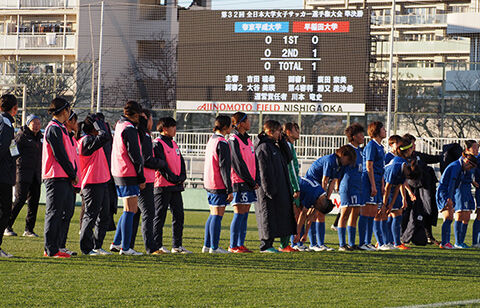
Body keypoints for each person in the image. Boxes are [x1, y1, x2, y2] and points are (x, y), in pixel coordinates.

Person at [42, 97, 77, 258]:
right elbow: (60, 155)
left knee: (61, 213)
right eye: (69, 110)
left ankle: (56, 246)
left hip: (63, 177)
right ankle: (50, 249)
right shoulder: (54, 128)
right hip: (56, 177)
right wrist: (72, 173)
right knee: (54, 213)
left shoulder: (61, 128)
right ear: (64, 111)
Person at [254, 120, 296, 253]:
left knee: (279, 216)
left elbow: (288, 158)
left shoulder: (275, 145)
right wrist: (268, 190)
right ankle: (265, 245)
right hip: (268, 190)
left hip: (279, 187)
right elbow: (263, 171)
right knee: (267, 216)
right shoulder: (264, 147)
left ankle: (279, 244)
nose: (281, 134)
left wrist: (282, 141)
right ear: (271, 132)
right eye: (279, 131)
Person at [109, 101, 145, 256]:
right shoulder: (129, 129)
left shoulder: (119, 124)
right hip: (127, 172)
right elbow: (135, 154)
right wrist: (140, 175)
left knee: (127, 209)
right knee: (131, 209)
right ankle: (125, 247)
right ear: (136, 114)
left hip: (118, 171)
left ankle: (117, 243)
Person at [305, 145, 356, 251]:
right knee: (313, 214)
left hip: (319, 187)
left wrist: (327, 199)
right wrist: (322, 199)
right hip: (312, 184)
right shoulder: (330, 160)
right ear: (343, 155)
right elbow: (324, 180)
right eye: (349, 158)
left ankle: (321, 244)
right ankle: (313, 244)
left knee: (321, 214)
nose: (349, 162)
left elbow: (332, 181)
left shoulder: (340, 165)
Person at [153, 116, 190, 254]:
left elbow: (180, 162)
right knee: (159, 216)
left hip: (175, 186)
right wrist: (174, 178)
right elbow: (162, 166)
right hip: (162, 186)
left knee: (179, 215)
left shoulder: (174, 144)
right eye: (172, 126)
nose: (175, 129)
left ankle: (177, 246)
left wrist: (182, 177)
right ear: (164, 129)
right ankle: (157, 245)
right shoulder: (157, 143)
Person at [77, 113, 112, 255]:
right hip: (91, 182)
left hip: (102, 181)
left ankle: (97, 245)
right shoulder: (86, 141)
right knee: (90, 215)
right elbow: (104, 136)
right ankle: (86, 248)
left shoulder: (92, 140)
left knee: (103, 216)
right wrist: (99, 124)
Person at [5, 114, 42, 238]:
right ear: (28, 124)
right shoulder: (21, 136)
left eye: (38, 123)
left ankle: (29, 229)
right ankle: (7, 225)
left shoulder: (40, 138)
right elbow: (12, 150)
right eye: (34, 123)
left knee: (34, 202)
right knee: (20, 200)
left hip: (36, 174)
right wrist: (17, 163)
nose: (36, 125)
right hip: (22, 173)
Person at [401, 133, 441, 245]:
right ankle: (402, 237)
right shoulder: (402, 158)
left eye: (414, 143)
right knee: (407, 213)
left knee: (426, 210)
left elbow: (432, 158)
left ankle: (429, 236)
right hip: (408, 190)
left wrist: (443, 156)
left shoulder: (417, 155)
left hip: (422, 190)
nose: (414, 146)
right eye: (412, 144)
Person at [228, 112, 259, 253]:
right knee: (239, 212)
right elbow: (237, 163)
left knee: (245, 212)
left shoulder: (249, 140)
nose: (249, 123)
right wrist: (250, 180)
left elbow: (254, 161)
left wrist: (256, 179)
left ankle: (241, 244)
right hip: (239, 181)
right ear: (240, 123)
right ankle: (233, 245)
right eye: (247, 121)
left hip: (250, 182)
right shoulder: (233, 140)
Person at [202, 115, 233, 254]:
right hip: (218, 183)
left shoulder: (211, 140)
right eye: (231, 125)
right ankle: (214, 247)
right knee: (217, 215)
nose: (232, 128)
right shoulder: (222, 142)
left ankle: (207, 245)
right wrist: (229, 188)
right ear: (225, 127)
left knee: (212, 213)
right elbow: (224, 167)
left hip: (209, 182)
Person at [383, 138, 419, 250]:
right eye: (412, 147)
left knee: (396, 213)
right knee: (384, 215)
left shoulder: (404, 164)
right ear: (407, 150)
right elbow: (387, 187)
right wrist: (385, 204)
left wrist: (403, 198)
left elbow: (399, 184)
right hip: (384, 190)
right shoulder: (396, 164)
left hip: (393, 190)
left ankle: (394, 242)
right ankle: (384, 242)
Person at [437, 152, 477, 249]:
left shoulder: (460, 166)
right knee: (448, 217)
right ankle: (444, 242)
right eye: (470, 167)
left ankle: (445, 242)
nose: (470, 169)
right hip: (444, 192)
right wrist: (449, 198)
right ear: (466, 161)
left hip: (448, 193)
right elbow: (451, 183)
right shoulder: (456, 166)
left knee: (449, 217)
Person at [360, 122, 386, 251]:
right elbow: (368, 166)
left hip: (377, 179)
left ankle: (368, 241)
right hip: (369, 181)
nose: (385, 131)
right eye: (383, 129)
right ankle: (362, 242)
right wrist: (373, 185)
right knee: (366, 211)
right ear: (376, 131)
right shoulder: (371, 146)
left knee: (373, 212)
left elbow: (381, 167)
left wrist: (381, 184)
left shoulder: (381, 147)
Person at [338, 123, 365, 251]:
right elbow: (340, 167)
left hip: (358, 186)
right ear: (353, 136)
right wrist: (337, 183)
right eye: (360, 134)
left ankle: (351, 243)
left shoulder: (360, 150)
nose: (363, 136)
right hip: (347, 185)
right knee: (345, 213)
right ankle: (342, 244)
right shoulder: (347, 149)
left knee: (355, 214)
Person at [0, 94, 18, 258]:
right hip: (3, 175)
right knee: (5, 211)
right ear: (15, 108)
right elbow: (4, 147)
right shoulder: (5, 124)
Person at [283, 122, 307, 252]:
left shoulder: (290, 145)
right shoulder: (287, 146)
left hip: (293, 182)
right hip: (291, 185)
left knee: (297, 213)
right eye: (295, 130)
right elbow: (291, 168)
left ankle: (295, 242)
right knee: (295, 214)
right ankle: (293, 243)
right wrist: (295, 187)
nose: (298, 132)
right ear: (288, 132)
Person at [451, 140, 478, 249]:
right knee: (460, 213)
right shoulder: (462, 161)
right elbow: (458, 176)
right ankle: (457, 242)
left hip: (467, 189)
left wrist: (472, 181)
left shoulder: (473, 161)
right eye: (475, 148)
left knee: (467, 216)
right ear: (467, 150)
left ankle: (461, 241)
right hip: (460, 190)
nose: (477, 150)